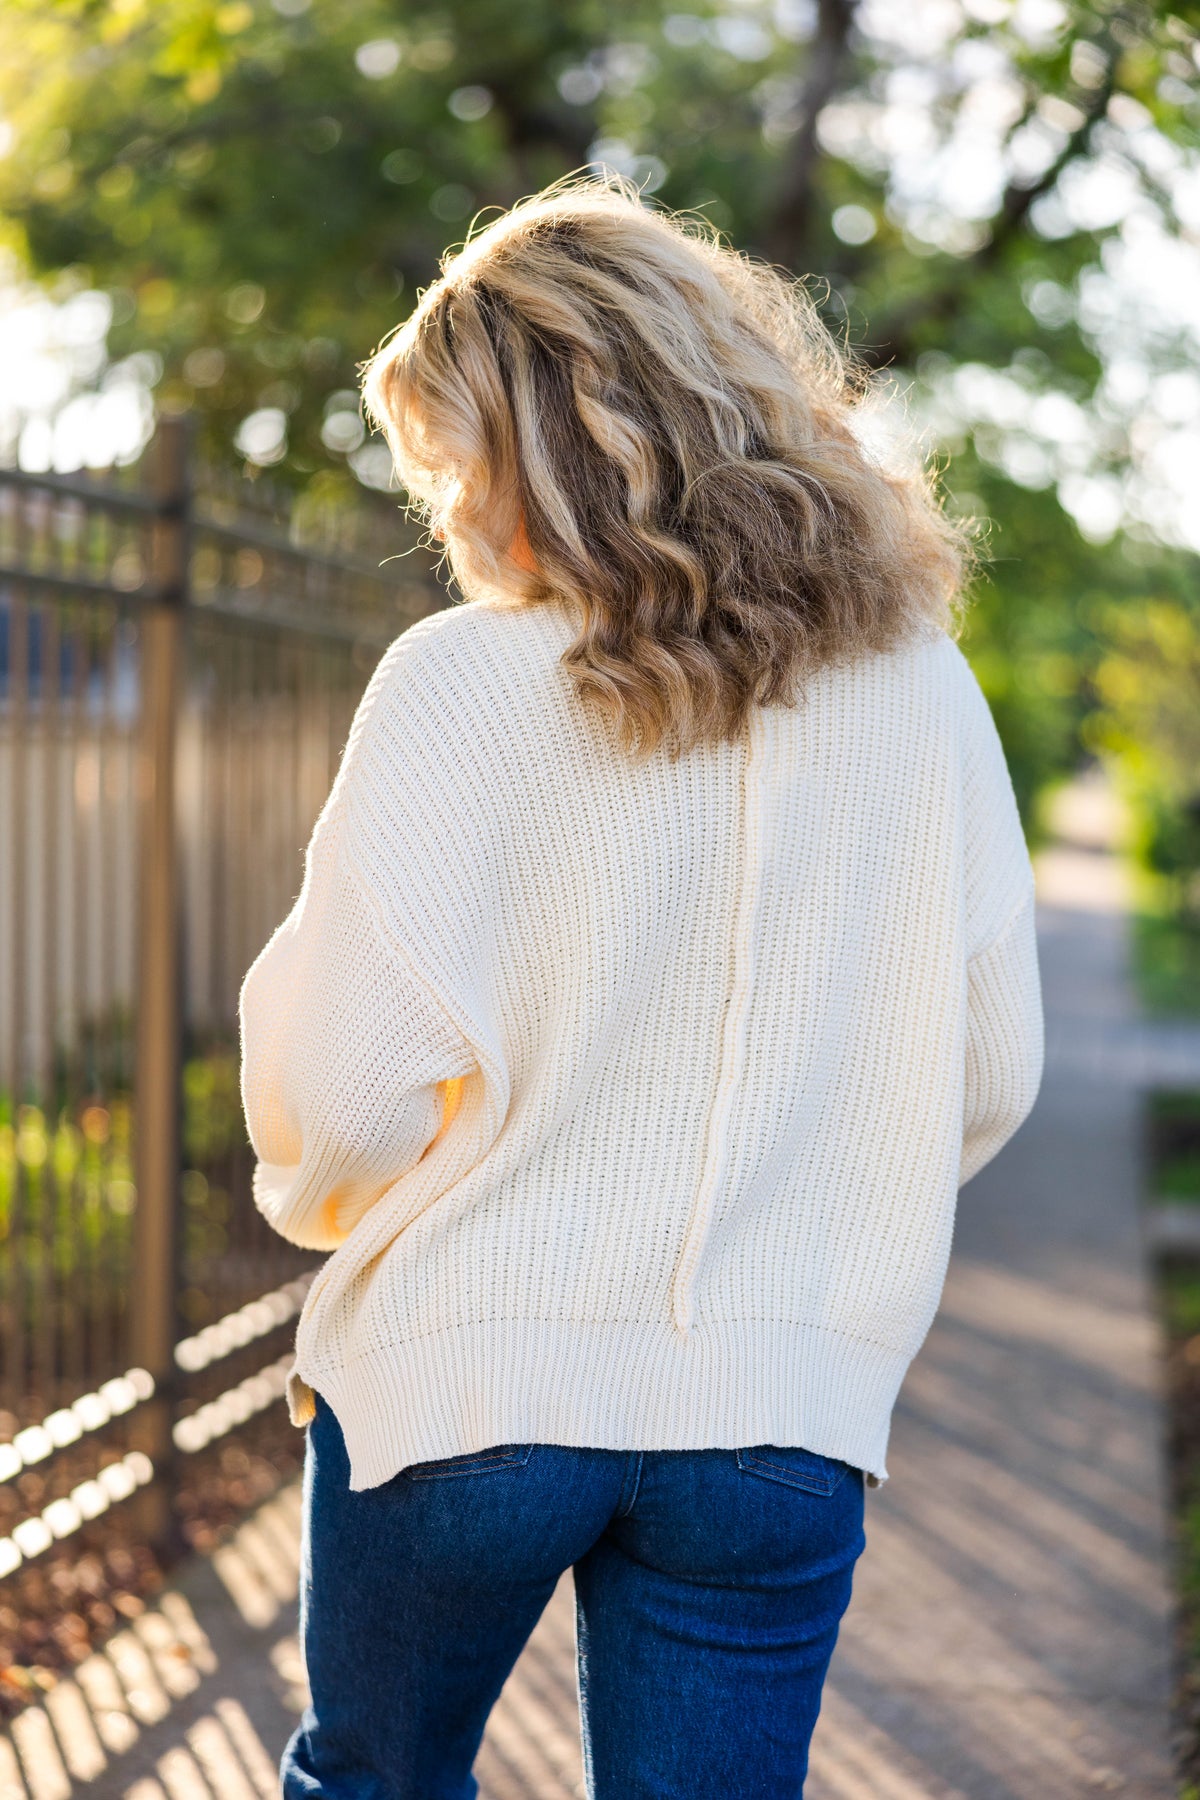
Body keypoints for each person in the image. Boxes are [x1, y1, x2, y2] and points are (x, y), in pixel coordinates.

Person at [238, 170, 1044, 1800]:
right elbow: (986, 1067)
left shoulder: (462, 684)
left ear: (542, 440)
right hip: (782, 1407)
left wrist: (340, 1204)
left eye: (458, 463)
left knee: (373, 1784)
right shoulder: (921, 686)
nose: (458, 515)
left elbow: (336, 1096)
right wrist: (808, 1215)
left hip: (466, 1385)